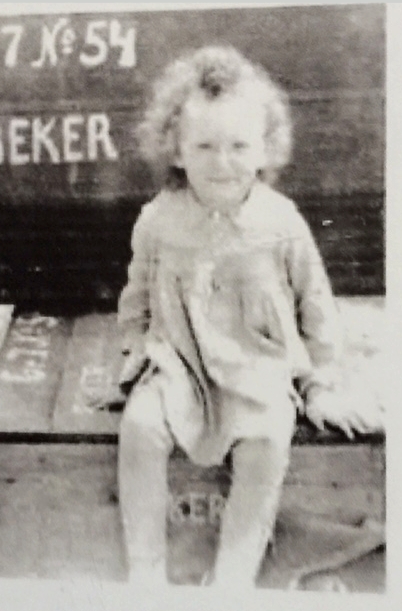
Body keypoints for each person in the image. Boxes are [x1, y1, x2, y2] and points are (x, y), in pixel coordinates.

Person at [116, 45, 369, 588]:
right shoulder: (159, 220)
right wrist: (135, 353)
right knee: (138, 427)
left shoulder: (280, 223)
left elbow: (316, 305)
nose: (222, 162)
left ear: (264, 150)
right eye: (204, 146)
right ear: (177, 150)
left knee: (269, 443)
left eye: (238, 146)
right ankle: (146, 571)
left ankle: (234, 579)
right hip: (181, 366)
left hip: (259, 370)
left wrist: (319, 383)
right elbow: (135, 298)